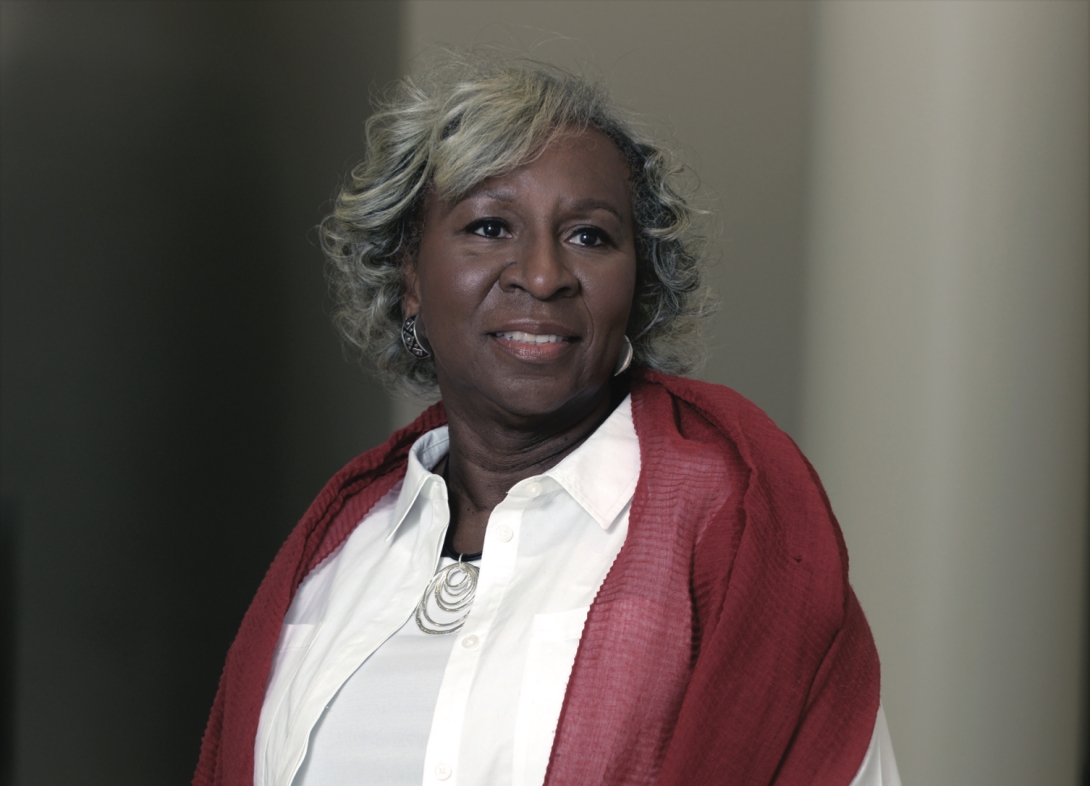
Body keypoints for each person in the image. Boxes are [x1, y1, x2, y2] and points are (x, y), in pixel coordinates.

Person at [194, 54, 899, 786]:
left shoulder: (733, 524)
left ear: (639, 281)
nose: (542, 274)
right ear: (409, 277)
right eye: (491, 226)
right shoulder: (336, 547)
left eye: (589, 237)